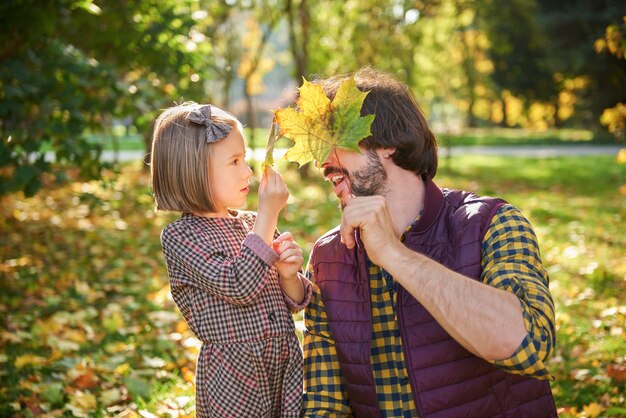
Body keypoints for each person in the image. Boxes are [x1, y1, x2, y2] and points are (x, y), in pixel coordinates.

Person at [302, 68, 557, 417]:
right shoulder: (327, 258)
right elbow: (325, 404)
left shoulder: (491, 224)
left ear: (387, 142)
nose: (323, 162)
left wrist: (394, 254)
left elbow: (528, 346)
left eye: (336, 140)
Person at [150, 102, 311, 417]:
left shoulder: (254, 224)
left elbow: (293, 303)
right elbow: (239, 285)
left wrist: (289, 276)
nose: (248, 172)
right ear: (192, 170)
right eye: (235, 162)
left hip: (283, 360)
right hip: (235, 375)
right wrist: (268, 214)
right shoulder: (181, 237)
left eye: (246, 160)